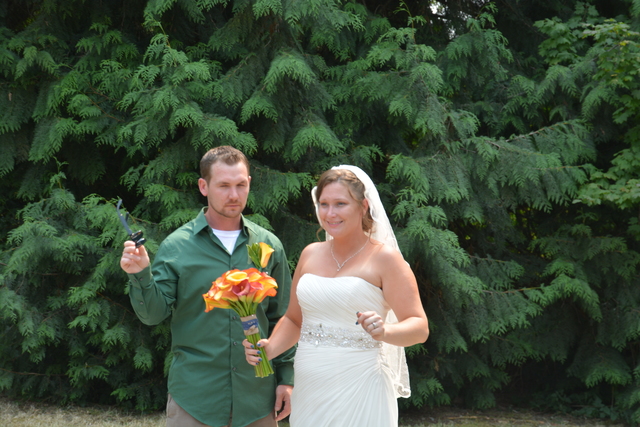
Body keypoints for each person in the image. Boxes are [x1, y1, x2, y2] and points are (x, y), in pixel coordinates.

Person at [120, 146, 295, 427]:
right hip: (195, 400)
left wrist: (286, 379)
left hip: (256, 400)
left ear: (249, 183)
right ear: (204, 186)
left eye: (240, 185)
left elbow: (284, 318)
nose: (234, 195)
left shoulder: (268, 246)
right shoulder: (177, 246)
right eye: (223, 186)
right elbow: (152, 315)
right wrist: (140, 274)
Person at [243, 165, 429, 427]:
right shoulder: (310, 253)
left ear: (363, 206)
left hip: (362, 386)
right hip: (310, 386)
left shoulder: (385, 259)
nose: (330, 213)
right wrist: (269, 348)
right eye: (324, 204)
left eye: (340, 204)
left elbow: (419, 328)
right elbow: (294, 320)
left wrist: (385, 331)